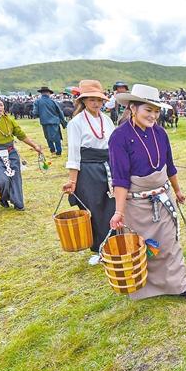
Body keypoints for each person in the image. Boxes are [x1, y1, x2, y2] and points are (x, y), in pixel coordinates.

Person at [108, 84, 186, 303]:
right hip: (136, 205)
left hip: (163, 198)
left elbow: (170, 166)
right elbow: (120, 179)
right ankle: (143, 287)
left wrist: (177, 190)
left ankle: (180, 285)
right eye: (148, 110)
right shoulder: (119, 137)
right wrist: (119, 212)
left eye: (156, 111)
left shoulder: (160, 133)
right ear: (132, 108)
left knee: (169, 244)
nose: (153, 116)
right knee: (143, 247)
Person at [63, 80, 117, 264]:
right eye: (92, 99)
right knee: (94, 208)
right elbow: (74, 154)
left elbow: (114, 146)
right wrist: (73, 181)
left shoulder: (107, 120)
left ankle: (115, 245)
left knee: (112, 207)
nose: (96, 103)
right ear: (83, 101)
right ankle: (100, 250)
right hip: (88, 171)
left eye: (99, 100)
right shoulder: (75, 123)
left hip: (109, 167)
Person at [0, 97, 44, 210]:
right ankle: (3, 198)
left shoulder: (9, 120)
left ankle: (18, 202)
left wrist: (35, 146)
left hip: (11, 152)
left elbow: (21, 135)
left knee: (15, 177)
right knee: (2, 179)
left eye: (1, 105)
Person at [32, 86, 67, 155]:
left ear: (41, 93)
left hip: (44, 122)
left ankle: (52, 150)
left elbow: (35, 113)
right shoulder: (53, 102)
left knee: (47, 137)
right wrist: (64, 123)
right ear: (48, 93)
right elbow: (60, 113)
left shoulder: (37, 101)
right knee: (57, 137)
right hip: (55, 122)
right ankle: (59, 151)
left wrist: (40, 115)